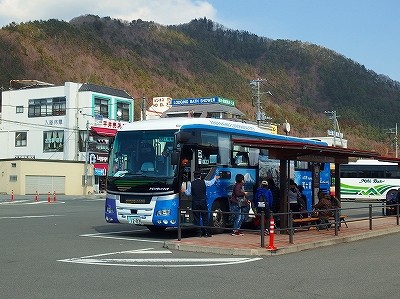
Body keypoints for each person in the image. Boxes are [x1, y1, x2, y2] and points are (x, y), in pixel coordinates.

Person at [184, 170, 219, 237]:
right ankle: (206, 233)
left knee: (196, 217)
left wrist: (184, 190)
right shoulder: (204, 182)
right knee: (205, 217)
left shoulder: (190, 183)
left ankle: (198, 233)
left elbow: (188, 193)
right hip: (203, 201)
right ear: (200, 176)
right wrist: (215, 178)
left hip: (195, 202)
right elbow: (211, 183)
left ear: (194, 177)